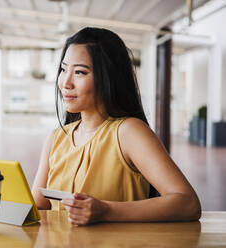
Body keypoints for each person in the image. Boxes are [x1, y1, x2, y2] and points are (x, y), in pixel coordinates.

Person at [31, 27, 201, 225]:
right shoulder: (56, 138)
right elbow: (38, 207)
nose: (65, 83)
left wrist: (106, 211)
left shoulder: (129, 132)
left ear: (108, 76)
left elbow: (188, 203)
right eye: (63, 69)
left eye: (79, 72)